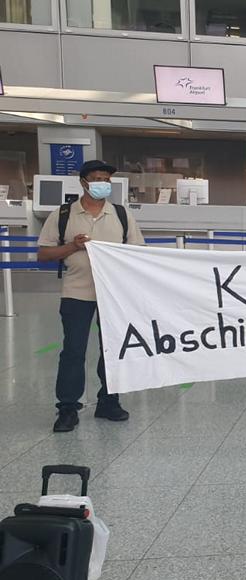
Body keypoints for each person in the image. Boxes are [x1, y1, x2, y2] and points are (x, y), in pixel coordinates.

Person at [37, 160, 146, 433]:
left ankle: (109, 401)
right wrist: (72, 246)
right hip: (76, 292)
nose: (103, 184)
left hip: (113, 294)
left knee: (112, 349)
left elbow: (137, 253)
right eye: (97, 179)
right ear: (84, 182)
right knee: (73, 350)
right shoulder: (63, 214)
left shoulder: (121, 215)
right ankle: (67, 408)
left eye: (107, 180)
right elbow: (44, 254)